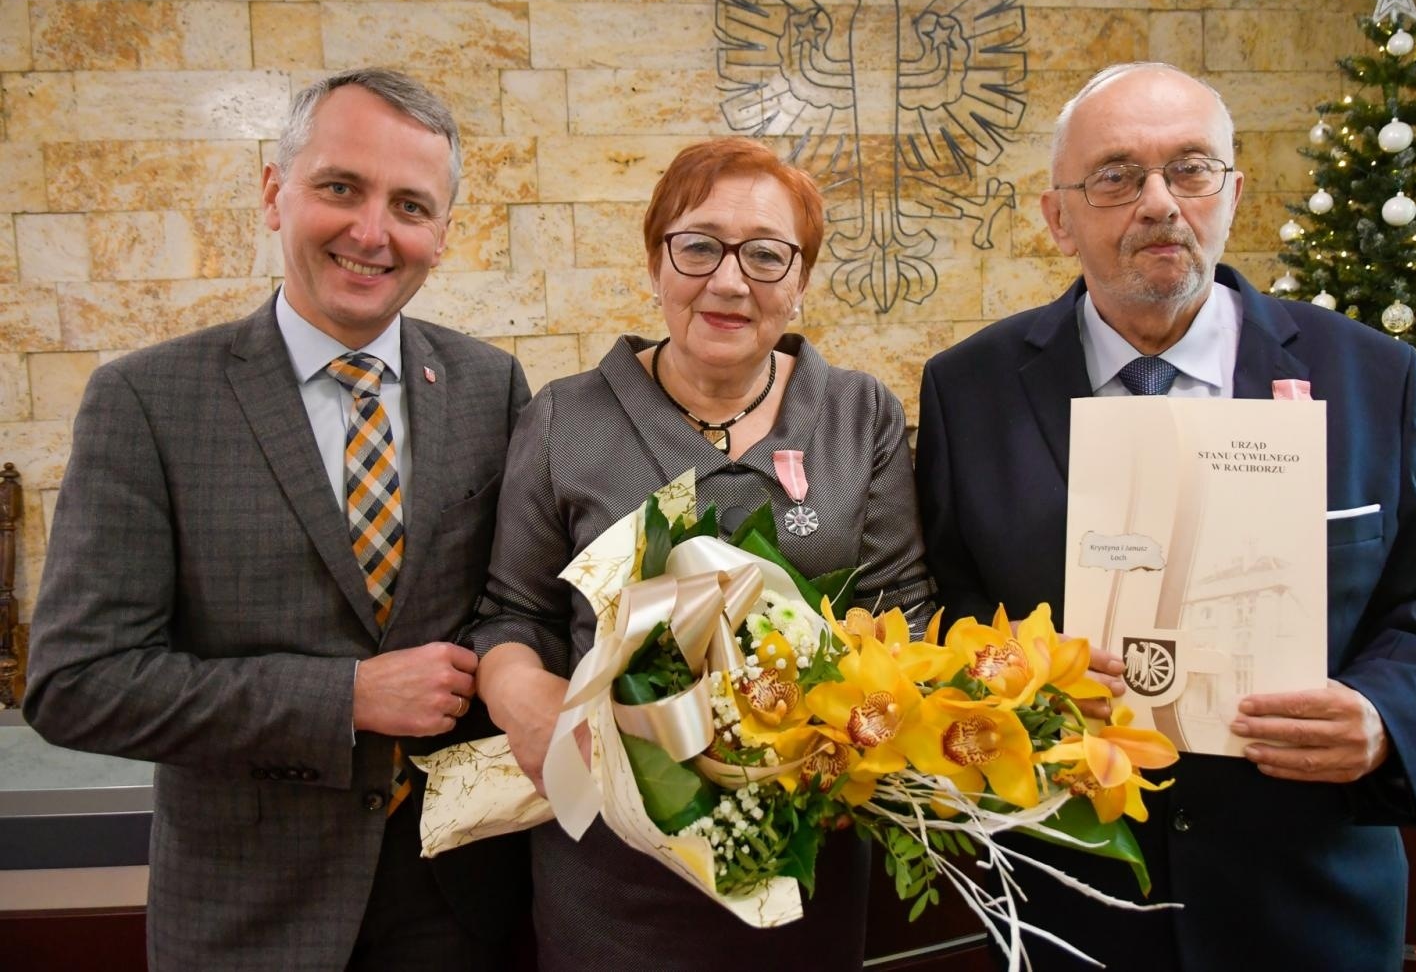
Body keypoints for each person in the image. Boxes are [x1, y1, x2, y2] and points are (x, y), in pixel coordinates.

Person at [913, 62, 1416, 971]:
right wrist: (1023, 679)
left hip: (1308, 902)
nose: (1159, 202)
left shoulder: (1372, 375)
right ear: (1057, 217)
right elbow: (945, 612)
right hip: (1073, 901)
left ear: (1232, 192)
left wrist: (1382, 716)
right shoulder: (967, 388)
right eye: (1115, 175)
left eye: (1190, 169)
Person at [23, 68, 533, 971]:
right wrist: (343, 699)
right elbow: (77, 682)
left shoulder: (490, 388)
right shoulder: (147, 402)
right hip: (249, 921)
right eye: (341, 188)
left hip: (460, 908)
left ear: (443, 235)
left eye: (410, 206)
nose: (372, 232)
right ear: (274, 193)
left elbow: (511, 602)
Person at [465, 137, 935, 971]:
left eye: (764, 255)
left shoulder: (858, 412)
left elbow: (903, 606)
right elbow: (512, 613)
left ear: (801, 280)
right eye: (698, 246)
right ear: (655, 262)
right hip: (612, 877)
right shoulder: (564, 421)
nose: (728, 281)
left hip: (806, 861)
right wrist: (521, 696)